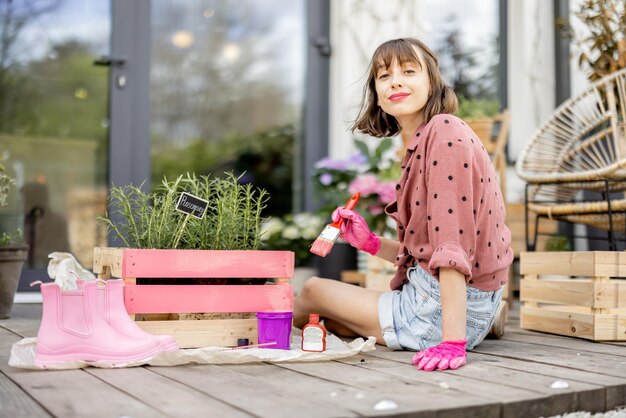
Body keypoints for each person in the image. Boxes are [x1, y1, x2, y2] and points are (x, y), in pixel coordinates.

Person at [294, 38, 513, 371]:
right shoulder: (426, 142)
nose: (395, 80)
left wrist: (452, 342)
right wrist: (368, 242)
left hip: (436, 312)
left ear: (432, 83)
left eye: (409, 71)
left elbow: (451, 244)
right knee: (333, 322)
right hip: (459, 302)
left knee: (311, 292)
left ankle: (255, 328)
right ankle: (482, 322)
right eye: (384, 76)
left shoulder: (444, 133)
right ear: (378, 96)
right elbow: (425, 247)